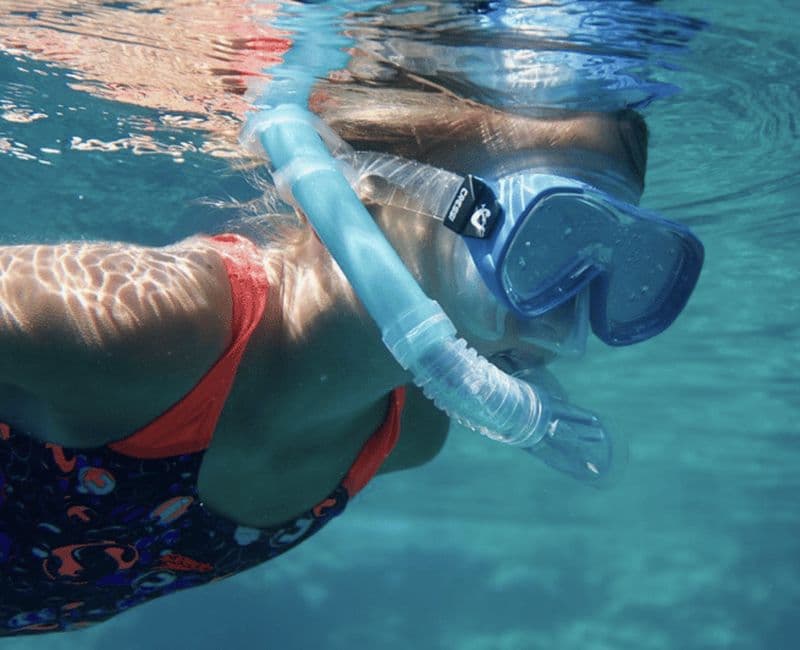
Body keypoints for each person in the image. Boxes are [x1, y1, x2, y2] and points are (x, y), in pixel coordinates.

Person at [0, 91, 704, 634]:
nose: (560, 315)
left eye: (616, 268)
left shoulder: (406, 437)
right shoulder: (156, 327)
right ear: (369, 183)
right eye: (543, 240)